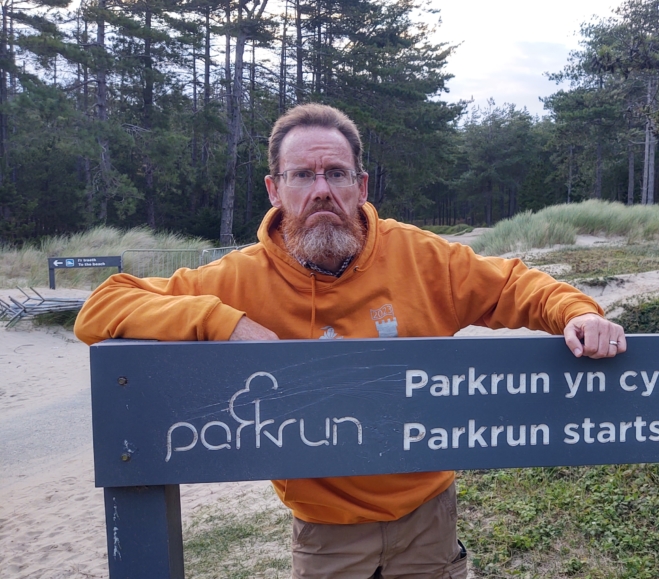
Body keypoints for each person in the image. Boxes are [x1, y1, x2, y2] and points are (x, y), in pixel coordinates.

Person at [75, 103, 627, 579]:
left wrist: (576, 313)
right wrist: (223, 323)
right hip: (324, 531)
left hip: (428, 515)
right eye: (303, 175)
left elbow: (513, 282)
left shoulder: (421, 256)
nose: (321, 191)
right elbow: (102, 306)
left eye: (336, 173)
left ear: (360, 186)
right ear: (275, 188)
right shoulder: (236, 278)